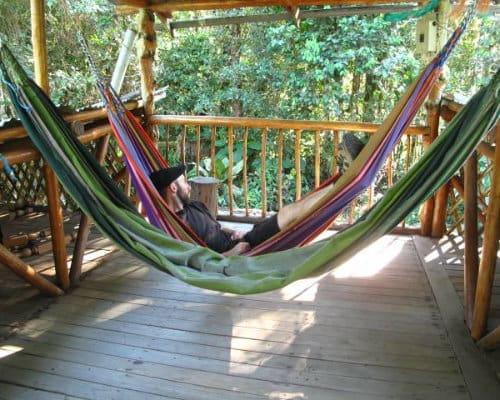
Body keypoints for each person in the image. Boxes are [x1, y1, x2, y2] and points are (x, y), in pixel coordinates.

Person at [150, 164, 339, 256]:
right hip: (241, 252)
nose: (189, 186)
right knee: (288, 215)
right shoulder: (176, 227)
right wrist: (234, 253)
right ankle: (338, 187)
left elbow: (217, 227)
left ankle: (339, 184)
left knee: (290, 214)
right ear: (173, 188)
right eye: (184, 183)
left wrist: (233, 231)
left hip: (243, 239)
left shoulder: (195, 205)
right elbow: (199, 261)